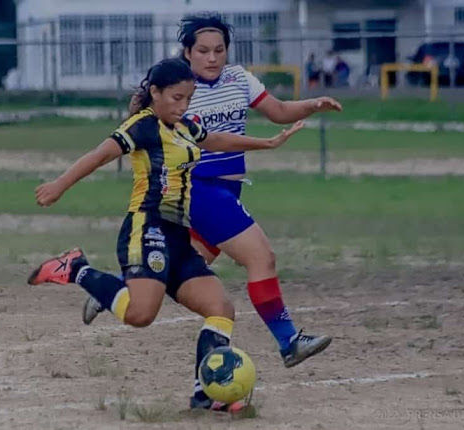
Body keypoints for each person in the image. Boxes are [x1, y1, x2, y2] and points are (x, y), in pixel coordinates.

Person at [27, 58, 305, 411]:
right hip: (146, 229)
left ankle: (206, 393)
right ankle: (75, 268)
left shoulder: (184, 126)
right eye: (176, 98)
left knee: (220, 308)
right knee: (141, 315)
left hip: (178, 235)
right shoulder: (142, 126)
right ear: (155, 93)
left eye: (188, 98)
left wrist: (267, 143)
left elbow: (215, 139)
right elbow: (100, 155)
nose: (183, 106)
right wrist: (59, 185)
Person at [84, 11, 340, 393]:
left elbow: (279, 111)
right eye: (202, 50)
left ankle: (113, 289)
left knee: (181, 266)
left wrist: (313, 104)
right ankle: (289, 341)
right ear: (187, 53)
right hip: (199, 188)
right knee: (261, 257)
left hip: (228, 189)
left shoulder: (238, 78)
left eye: (219, 49)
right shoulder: (180, 92)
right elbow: (145, 131)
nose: (212, 57)